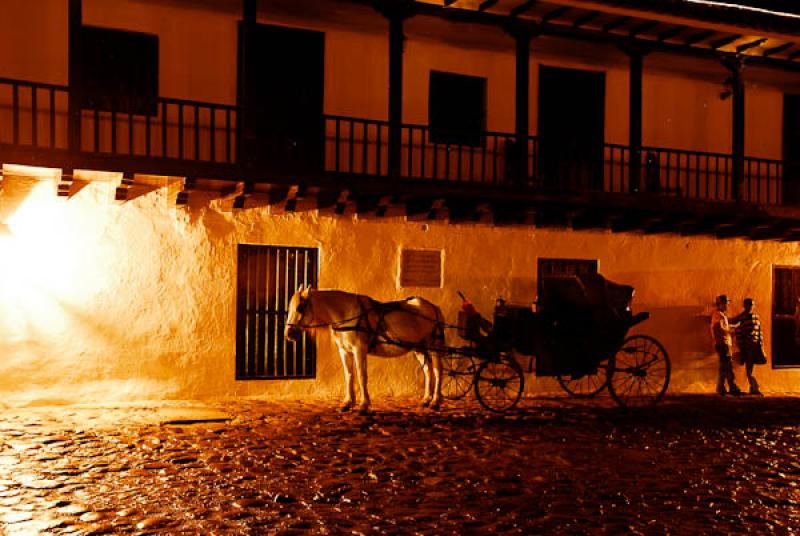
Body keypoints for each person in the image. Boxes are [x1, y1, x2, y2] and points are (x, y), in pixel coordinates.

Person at [733, 298, 766, 395]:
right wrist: (741, 346)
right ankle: (754, 388)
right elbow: (738, 331)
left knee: (751, 367)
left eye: (752, 305)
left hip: (756, 345)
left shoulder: (756, 317)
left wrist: (760, 344)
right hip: (747, 346)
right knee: (749, 368)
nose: (751, 307)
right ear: (745, 306)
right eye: (749, 305)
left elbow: (759, 331)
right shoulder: (742, 317)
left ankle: (753, 388)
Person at [710, 295, 742, 396]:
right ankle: (732, 387)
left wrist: (734, 326)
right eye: (727, 303)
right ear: (722, 304)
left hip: (724, 343)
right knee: (727, 365)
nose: (728, 305)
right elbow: (720, 328)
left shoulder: (721, 315)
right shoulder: (718, 315)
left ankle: (721, 387)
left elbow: (724, 326)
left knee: (724, 366)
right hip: (723, 343)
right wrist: (731, 331)